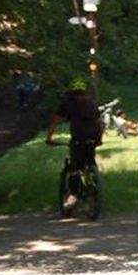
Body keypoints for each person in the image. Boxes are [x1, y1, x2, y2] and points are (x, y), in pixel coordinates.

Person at [45, 77, 102, 209]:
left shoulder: (68, 103)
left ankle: (73, 195)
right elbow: (100, 121)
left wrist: (49, 138)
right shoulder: (91, 101)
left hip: (79, 137)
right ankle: (93, 179)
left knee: (74, 166)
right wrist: (99, 138)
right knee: (90, 159)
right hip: (94, 136)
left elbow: (54, 121)